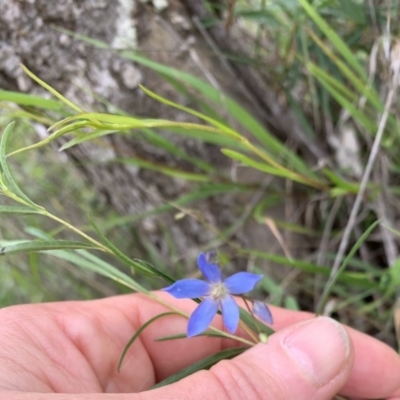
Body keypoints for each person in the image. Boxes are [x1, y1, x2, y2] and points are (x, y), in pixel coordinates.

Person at [0, 292, 399, 399]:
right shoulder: (211, 307)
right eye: (213, 293)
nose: (217, 294)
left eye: (220, 293)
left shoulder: (232, 305)